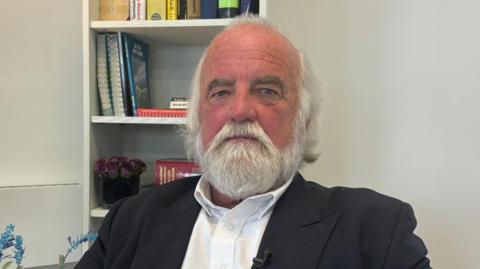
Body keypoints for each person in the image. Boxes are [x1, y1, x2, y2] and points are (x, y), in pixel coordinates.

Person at [76, 16, 431, 269]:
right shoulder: (129, 220)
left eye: (267, 90)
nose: (240, 110)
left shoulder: (374, 230)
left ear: (303, 121)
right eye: (220, 91)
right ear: (198, 119)